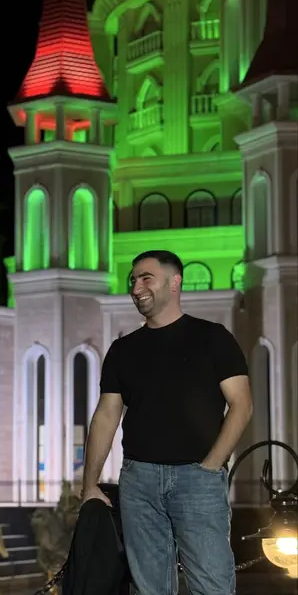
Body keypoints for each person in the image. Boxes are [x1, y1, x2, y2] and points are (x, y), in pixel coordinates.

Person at [81, 250, 253, 595]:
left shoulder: (213, 337)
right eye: (133, 280)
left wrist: (211, 465)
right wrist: (89, 484)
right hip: (139, 482)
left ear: (175, 282)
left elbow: (242, 405)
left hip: (198, 479)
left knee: (213, 587)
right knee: (149, 589)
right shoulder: (123, 350)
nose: (136, 287)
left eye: (146, 278)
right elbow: (106, 416)